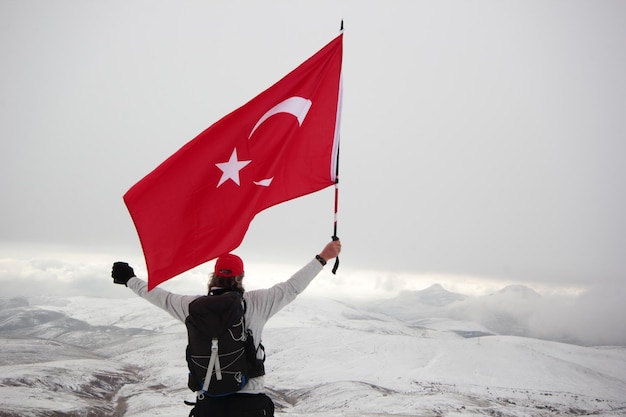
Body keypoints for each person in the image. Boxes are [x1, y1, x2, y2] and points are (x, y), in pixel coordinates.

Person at [111, 239, 341, 417]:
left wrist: (129, 279)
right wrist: (323, 257)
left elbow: (160, 297)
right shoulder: (257, 302)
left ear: (213, 277)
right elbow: (293, 287)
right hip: (249, 401)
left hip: (209, 402)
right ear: (241, 277)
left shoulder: (192, 307)